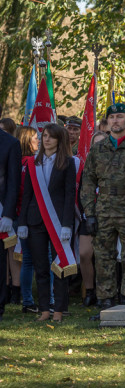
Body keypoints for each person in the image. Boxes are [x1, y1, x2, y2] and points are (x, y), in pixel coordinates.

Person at [81, 103, 125, 308]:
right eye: (112, 117)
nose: (115, 121)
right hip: (103, 209)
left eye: (120, 116)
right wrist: (90, 214)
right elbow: (87, 182)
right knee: (104, 257)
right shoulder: (98, 149)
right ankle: (106, 302)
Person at [18, 124, 76, 323]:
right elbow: (26, 195)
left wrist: (68, 224)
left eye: (51, 137)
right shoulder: (33, 163)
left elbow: (70, 196)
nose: (46, 140)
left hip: (58, 221)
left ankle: (58, 310)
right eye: (44, 136)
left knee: (59, 266)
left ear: (60, 139)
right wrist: (23, 222)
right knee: (40, 266)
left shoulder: (68, 163)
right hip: (35, 220)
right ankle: (44, 310)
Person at [77, 130, 108, 307]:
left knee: (105, 256)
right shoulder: (87, 166)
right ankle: (89, 291)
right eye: (94, 144)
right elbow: (83, 192)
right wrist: (87, 214)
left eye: (101, 143)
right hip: (89, 216)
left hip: (109, 215)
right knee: (84, 253)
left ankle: (105, 292)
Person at [15, 126, 40, 312]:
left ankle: (27, 300)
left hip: (18, 215)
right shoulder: (31, 163)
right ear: (27, 141)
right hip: (32, 216)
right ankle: (38, 300)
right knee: (38, 258)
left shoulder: (15, 162)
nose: (38, 142)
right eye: (35, 138)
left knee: (28, 260)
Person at [0, 114, 22, 322]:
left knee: (1, 261)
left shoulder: (11, 143)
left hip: (1, 212)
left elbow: (13, 182)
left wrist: (7, 213)